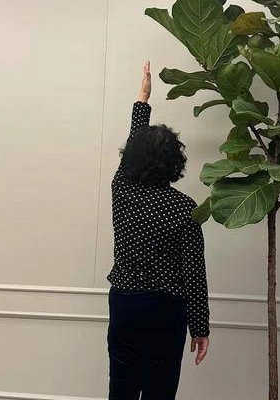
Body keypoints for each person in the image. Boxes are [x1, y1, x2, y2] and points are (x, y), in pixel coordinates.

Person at [106, 60, 210, 400]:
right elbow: (194, 273)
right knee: (160, 391)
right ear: (174, 163)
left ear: (132, 157)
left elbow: (132, 151)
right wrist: (200, 327)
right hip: (166, 310)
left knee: (121, 387)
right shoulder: (185, 208)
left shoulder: (122, 190)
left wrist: (143, 100)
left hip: (124, 302)